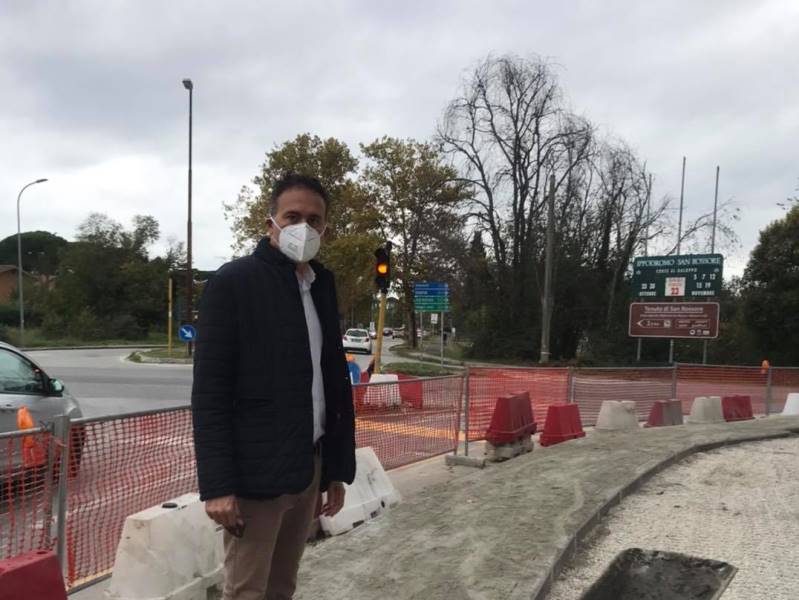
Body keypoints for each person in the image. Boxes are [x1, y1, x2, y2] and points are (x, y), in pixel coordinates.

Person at [191, 173, 356, 600]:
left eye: (314, 220)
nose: (304, 227)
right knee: (247, 590)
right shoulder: (234, 283)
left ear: (325, 230)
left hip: (308, 465)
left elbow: (332, 383)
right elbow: (210, 392)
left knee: (283, 586)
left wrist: (334, 470)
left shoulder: (321, 286)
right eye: (292, 216)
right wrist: (218, 485)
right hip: (256, 475)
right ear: (271, 224)